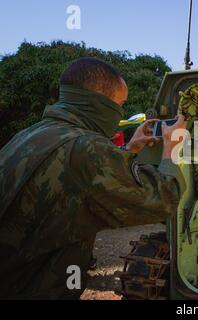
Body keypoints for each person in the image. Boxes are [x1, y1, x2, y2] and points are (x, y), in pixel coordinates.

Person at [0, 57, 185, 299]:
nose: (120, 112)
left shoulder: (31, 134)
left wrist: (130, 149)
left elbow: (79, 181)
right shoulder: (86, 149)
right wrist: (173, 146)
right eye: (120, 103)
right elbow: (163, 199)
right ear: (100, 101)